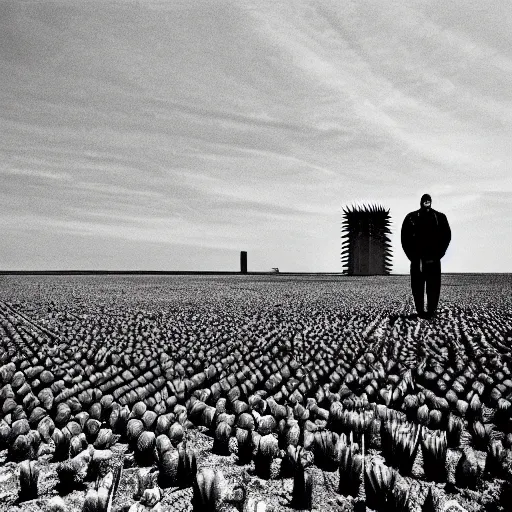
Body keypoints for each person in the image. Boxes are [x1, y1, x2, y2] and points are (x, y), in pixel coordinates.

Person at [401, 194, 451, 319]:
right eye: (425, 201)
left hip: (433, 259)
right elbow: (405, 238)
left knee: (433, 286)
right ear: (421, 202)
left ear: (431, 202)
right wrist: (412, 256)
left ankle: (431, 310)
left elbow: (446, 236)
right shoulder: (411, 217)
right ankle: (420, 310)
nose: (426, 203)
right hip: (417, 260)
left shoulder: (439, 217)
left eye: (428, 201)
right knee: (417, 286)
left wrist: (439, 253)